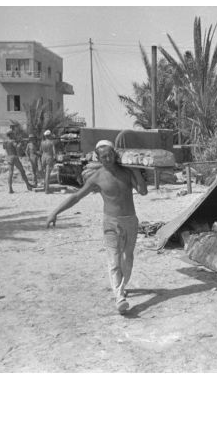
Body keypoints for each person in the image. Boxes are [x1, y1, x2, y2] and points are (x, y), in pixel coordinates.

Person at [46, 140, 148, 314]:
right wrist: (55, 212)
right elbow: (77, 196)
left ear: (114, 154)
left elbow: (143, 191)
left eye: (110, 155)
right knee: (114, 259)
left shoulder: (127, 172)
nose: (107, 158)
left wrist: (137, 172)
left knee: (127, 259)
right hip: (110, 222)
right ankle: (119, 296)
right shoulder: (97, 177)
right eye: (103, 156)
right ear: (99, 158)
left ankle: (122, 287)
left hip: (130, 221)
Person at [40, 130, 55, 194]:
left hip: (43, 157)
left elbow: (40, 151)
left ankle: (44, 186)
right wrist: (55, 158)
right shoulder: (51, 142)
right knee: (47, 174)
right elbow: (54, 152)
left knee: (44, 172)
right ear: (49, 135)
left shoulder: (42, 142)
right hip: (49, 157)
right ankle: (47, 189)